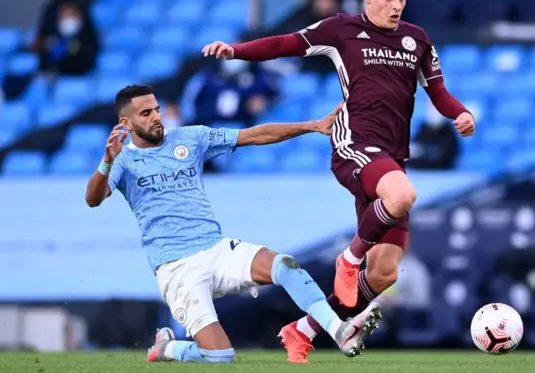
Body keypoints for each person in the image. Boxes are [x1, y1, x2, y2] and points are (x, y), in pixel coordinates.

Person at [202, 0, 475, 363]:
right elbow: (285, 43)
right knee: (402, 194)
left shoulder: (416, 40)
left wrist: (459, 114)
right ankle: (347, 260)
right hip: (355, 143)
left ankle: (303, 329)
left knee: (383, 272)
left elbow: (439, 92)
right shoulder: (341, 31)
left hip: (391, 157)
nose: (396, 5)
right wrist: (236, 51)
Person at [84, 85, 382, 364]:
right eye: (145, 114)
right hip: (176, 268)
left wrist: (311, 125)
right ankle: (168, 348)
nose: (156, 118)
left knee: (284, 265)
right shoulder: (122, 161)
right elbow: (93, 199)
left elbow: (254, 134)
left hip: (216, 249)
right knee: (221, 356)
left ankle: (339, 331)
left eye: (157, 109)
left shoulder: (190, 138)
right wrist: (106, 162)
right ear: (126, 122)